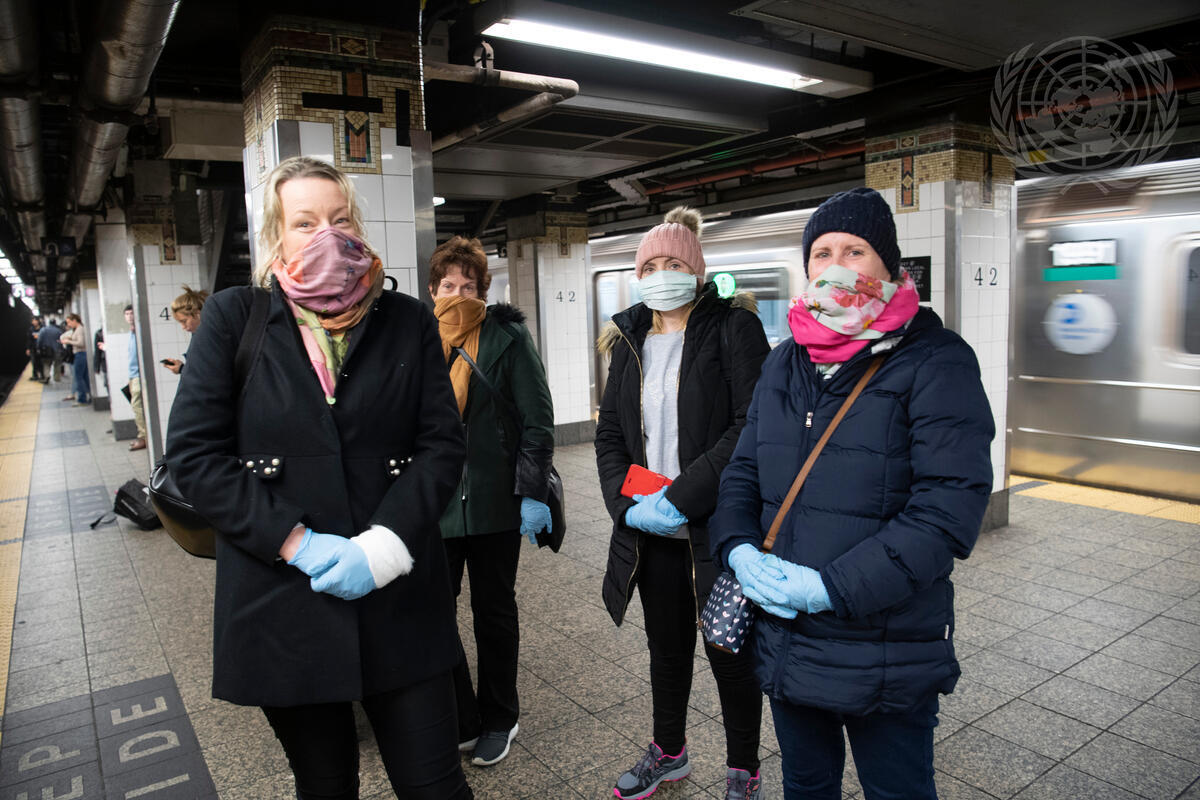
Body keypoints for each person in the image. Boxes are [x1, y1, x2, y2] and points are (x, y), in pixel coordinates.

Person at [165, 156, 472, 800]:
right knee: (325, 785)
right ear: (276, 236)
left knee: (437, 786)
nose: (326, 235)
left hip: (398, 593)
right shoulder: (233, 318)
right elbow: (195, 456)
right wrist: (297, 542)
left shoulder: (406, 319)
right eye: (304, 223)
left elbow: (442, 445)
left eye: (340, 219)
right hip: (285, 599)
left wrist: (384, 545)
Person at [709, 187, 995, 800]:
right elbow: (742, 471)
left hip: (884, 645)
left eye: (855, 251)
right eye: (822, 253)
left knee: (897, 790)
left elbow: (948, 510)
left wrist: (831, 589)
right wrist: (737, 548)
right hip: (789, 642)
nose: (836, 266)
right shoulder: (785, 361)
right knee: (805, 785)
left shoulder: (936, 361)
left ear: (887, 265)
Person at [595, 207, 771, 800]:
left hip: (717, 527)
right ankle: (668, 752)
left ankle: (743, 769)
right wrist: (627, 507)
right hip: (652, 532)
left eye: (673, 264)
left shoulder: (733, 328)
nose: (660, 275)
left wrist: (682, 496)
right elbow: (610, 434)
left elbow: (750, 424)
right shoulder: (628, 338)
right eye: (650, 266)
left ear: (696, 272)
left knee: (729, 651)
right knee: (666, 651)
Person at [428, 235, 555, 767]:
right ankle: (463, 715)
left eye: (469, 286)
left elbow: (538, 420)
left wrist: (530, 492)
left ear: (483, 290)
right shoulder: (418, 340)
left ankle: (500, 716)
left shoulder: (507, 336)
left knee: (494, 613)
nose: (458, 294)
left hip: (494, 501)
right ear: (432, 290)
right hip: (433, 505)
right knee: (433, 613)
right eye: (448, 285)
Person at [162, 285, 208, 374]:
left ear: (197, 314)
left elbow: (207, 374)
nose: (183, 327)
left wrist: (182, 370)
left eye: (184, 321)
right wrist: (182, 368)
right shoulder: (198, 335)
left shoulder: (209, 337)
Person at [124, 306, 147, 450]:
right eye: (127, 314)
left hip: (139, 375)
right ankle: (143, 435)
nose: (129, 316)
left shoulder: (139, 331)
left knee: (137, 406)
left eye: (131, 313)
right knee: (136, 406)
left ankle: (143, 437)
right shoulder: (131, 333)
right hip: (133, 375)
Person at [59, 314, 90, 405]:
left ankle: (82, 399)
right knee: (84, 377)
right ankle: (88, 396)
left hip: (80, 354)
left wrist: (68, 341)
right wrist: (70, 338)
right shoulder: (78, 329)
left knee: (78, 377)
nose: (68, 325)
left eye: (69, 322)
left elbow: (81, 343)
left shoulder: (79, 329)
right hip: (81, 354)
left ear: (75, 320)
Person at [36, 318, 62, 385]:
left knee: (46, 364)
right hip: (57, 350)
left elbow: (39, 340)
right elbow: (62, 340)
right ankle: (57, 378)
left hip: (46, 351)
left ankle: (47, 376)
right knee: (57, 364)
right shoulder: (58, 331)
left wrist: (38, 348)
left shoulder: (43, 330)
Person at [27, 317, 44, 381]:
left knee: (41, 362)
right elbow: (29, 340)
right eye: (33, 321)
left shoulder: (42, 329)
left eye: (35, 321)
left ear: (38, 321)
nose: (34, 322)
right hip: (33, 348)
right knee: (34, 362)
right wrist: (28, 349)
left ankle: (42, 375)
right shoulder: (31, 329)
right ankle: (35, 375)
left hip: (41, 348)